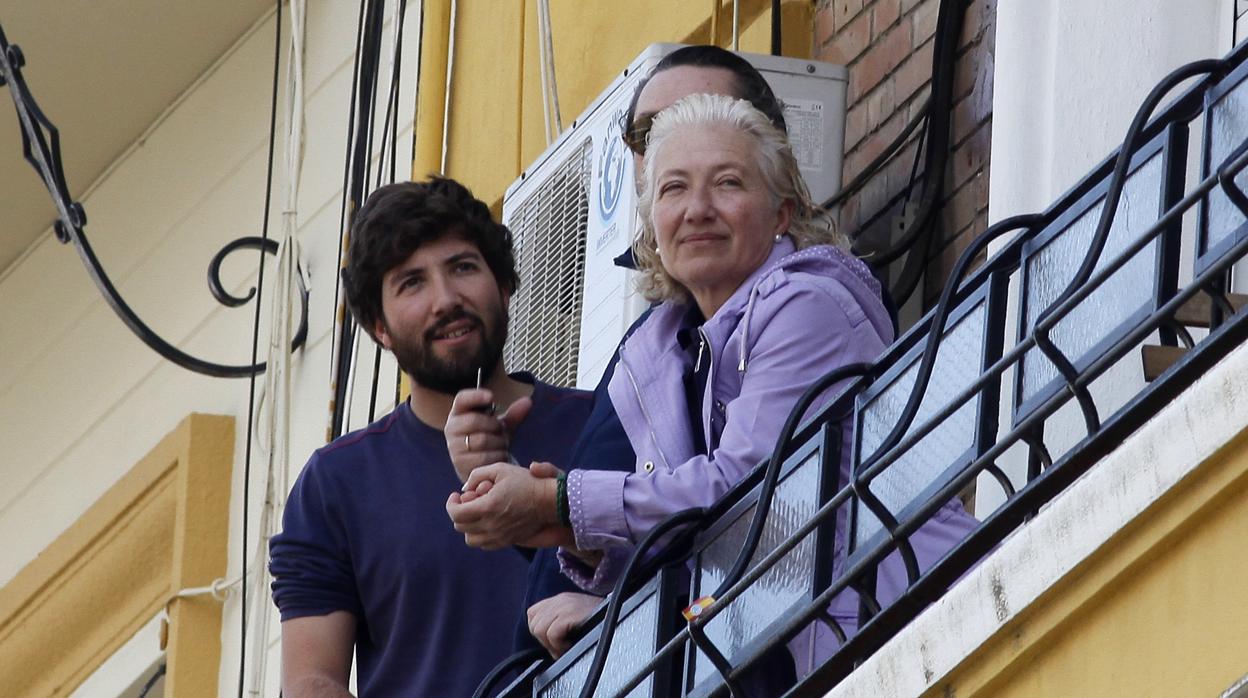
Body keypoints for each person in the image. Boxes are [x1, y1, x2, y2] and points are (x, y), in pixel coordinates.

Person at [444, 45, 804, 661]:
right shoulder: (651, 343)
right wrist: (534, 508)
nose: (681, 143)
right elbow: (635, 533)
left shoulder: (808, 298)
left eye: (702, 116)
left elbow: (750, 506)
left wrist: (560, 507)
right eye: (652, 134)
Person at [268, 178, 592, 697]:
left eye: (463, 267)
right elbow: (312, 681)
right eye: (411, 283)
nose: (446, 299)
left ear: (504, 284)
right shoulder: (337, 484)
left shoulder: (607, 421)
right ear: (379, 326)